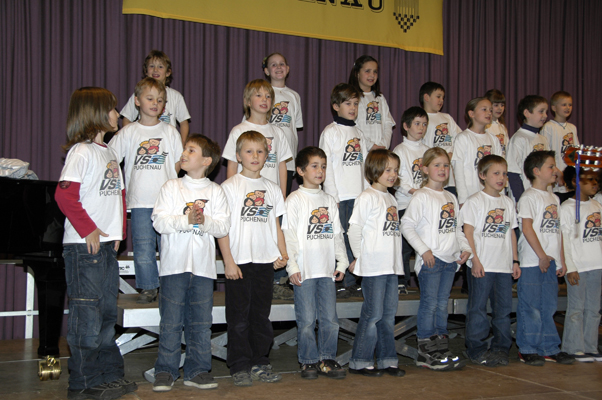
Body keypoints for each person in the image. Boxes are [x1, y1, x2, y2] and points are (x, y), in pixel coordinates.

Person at [55, 87, 137, 399]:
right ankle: (83, 384)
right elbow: (65, 195)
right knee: (87, 317)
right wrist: (89, 229)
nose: (118, 114)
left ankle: (108, 375)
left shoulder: (110, 152)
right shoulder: (81, 152)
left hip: (105, 249)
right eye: (113, 109)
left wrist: (118, 234)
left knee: (105, 314)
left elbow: (118, 196)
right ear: (96, 114)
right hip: (84, 249)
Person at [151, 135, 230, 392]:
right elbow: (159, 222)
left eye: (191, 150)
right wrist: (186, 219)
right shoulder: (171, 187)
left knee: (201, 323)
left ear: (206, 161)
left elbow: (223, 227)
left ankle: (197, 370)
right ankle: (166, 370)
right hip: (173, 267)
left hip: (204, 270)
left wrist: (203, 221)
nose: (184, 153)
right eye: (184, 149)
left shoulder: (216, 191)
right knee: (171, 322)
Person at [217, 131, 288, 386]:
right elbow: (222, 228)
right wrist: (228, 261)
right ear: (238, 156)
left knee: (260, 316)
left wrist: (282, 253)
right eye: (249, 151)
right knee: (238, 318)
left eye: (260, 151)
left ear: (267, 155)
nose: (255, 156)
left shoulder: (272, 189)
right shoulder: (229, 187)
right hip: (239, 262)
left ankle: (260, 361)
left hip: (264, 262)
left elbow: (276, 225)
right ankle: (239, 365)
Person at [109, 77, 183, 303]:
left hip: (167, 202)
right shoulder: (128, 132)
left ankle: (171, 285)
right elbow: (110, 159)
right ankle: (148, 286)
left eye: (160, 100)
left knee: (169, 246)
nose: (155, 103)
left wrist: (170, 186)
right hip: (140, 201)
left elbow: (178, 163)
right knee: (143, 246)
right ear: (137, 101)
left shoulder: (170, 131)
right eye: (150, 98)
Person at [400, 147, 471, 371]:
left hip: (450, 261)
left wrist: (465, 247)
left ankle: (441, 345)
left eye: (446, 165)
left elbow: (457, 228)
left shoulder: (451, 197)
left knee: (442, 305)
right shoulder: (422, 196)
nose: (442, 169)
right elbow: (406, 225)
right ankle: (426, 350)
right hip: (432, 261)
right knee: (430, 304)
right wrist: (424, 250)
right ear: (425, 169)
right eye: (437, 165)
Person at [283, 146, 349, 380]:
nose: (320, 171)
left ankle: (327, 358)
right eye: (314, 166)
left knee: (330, 319)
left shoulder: (329, 200)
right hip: (305, 271)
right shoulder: (294, 199)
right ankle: (308, 360)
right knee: (307, 320)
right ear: (300, 171)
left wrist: (342, 262)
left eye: (323, 166)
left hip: (326, 271)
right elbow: (289, 236)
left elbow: (337, 234)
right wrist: (292, 266)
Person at [347, 149, 405, 377]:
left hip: (391, 265)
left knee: (388, 315)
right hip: (373, 266)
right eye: (387, 169)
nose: (392, 174)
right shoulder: (367, 197)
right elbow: (354, 230)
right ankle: (360, 361)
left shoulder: (391, 198)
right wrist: (359, 257)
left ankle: (387, 359)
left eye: (395, 170)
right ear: (374, 170)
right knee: (373, 314)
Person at [459, 155, 520, 367]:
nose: (501, 177)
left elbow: (511, 233)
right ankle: (476, 349)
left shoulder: (508, 202)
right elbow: (468, 232)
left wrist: (515, 261)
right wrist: (475, 260)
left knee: (502, 311)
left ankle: (501, 349)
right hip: (482, 265)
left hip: (503, 266)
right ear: (482, 175)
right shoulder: (475, 201)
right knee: (477, 309)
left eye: (504, 174)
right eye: (496, 173)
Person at [515, 150, 574, 366]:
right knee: (531, 306)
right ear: (536, 171)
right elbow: (527, 228)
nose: (555, 170)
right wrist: (541, 256)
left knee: (548, 306)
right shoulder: (528, 197)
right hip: (533, 261)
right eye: (551, 166)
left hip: (550, 262)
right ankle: (528, 348)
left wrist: (561, 260)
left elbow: (557, 232)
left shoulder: (554, 198)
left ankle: (550, 347)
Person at [319, 83, 368, 298]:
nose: (353, 108)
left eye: (355, 104)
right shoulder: (331, 132)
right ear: (336, 106)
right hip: (341, 197)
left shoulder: (359, 133)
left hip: (359, 196)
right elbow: (326, 166)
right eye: (348, 103)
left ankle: (354, 280)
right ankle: (341, 280)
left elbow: (365, 166)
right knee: (341, 239)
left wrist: (368, 193)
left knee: (357, 239)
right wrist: (333, 197)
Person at [223, 79, 293, 199]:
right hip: (243, 193)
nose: (264, 99)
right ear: (248, 102)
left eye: (268, 96)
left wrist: (283, 194)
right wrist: (231, 193)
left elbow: (282, 165)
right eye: (259, 95)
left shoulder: (278, 133)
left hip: (271, 195)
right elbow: (232, 165)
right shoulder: (238, 131)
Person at [559, 168, 602, 362]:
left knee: (593, 308)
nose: (594, 184)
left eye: (596, 180)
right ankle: (573, 347)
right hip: (579, 266)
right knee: (576, 308)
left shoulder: (597, 205)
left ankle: (590, 346)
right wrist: (570, 267)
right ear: (576, 182)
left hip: (596, 264)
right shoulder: (567, 207)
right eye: (589, 180)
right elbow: (565, 240)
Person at [392, 106, 430, 294]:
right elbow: (396, 179)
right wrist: (414, 191)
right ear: (406, 126)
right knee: (405, 247)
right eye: (417, 123)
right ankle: (402, 281)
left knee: (425, 244)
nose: (421, 127)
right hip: (405, 204)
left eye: (424, 124)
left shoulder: (428, 150)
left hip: (425, 206)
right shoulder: (400, 150)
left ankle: (427, 280)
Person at [120, 50, 191, 144]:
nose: (155, 70)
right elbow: (127, 118)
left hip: (168, 143)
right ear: (146, 71)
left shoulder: (176, 96)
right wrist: (129, 138)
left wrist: (182, 142)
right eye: (151, 66)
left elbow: (184, 122)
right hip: (144, 142)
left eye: (160, 67)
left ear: (168, 72)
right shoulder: (139, 94)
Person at [262, 52, 304, 195]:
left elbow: (295, 127)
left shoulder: (294, 96)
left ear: (288, 68)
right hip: (267, 157)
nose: (278, 67)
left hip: (287, 159)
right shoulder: (262, 94)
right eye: (273, 65)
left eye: (282, 64)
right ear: (267, 71)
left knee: (282, 197)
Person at [452, 97, 503, 206]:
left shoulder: (493, 139)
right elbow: (458, 170)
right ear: (471, 114)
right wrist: (463, 199)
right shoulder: (463, 138)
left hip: (491, 196)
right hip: (471, 195)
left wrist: (500, 195)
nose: (489, 113)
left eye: (490, 110)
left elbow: (500, 168)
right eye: (484, 109)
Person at [419, 81, 462, 196]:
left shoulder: (447, 117)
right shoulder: (421, 119)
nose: (441, 100)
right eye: (438, 96)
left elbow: (460, 139)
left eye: (443, 97)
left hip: (450, 177)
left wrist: (452, 154)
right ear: (426, 97)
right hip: (434, 173)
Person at [506, 95, 551, 201]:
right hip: (527, 197)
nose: (545, 115)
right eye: (541, 111)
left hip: (544, 197)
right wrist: (522, 200)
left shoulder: (543, 139)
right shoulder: (519, 139)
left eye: (546, 112)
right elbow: (513, 172)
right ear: (527, 113)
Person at [348, 55, 395, 150]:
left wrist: (383, 146)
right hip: (362, 150)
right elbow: (353, 126)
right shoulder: (351, 98)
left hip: (380, 151)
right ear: (357, 73)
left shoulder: (380, 98)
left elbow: (388, 123)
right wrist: (371, 146)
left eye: (375, 71)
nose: (372, 75)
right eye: (367, 71)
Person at [541, 91, 579, 192]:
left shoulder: (572, 128)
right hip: (556, 178)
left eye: (570, 105)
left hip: (570, 178)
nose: (567, 108)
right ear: (554, 108)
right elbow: (546, 153)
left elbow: (576, 152)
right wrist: (556, 171)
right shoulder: (548, 127)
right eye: (564, 105)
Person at [484, 89, 509, 158]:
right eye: (496, 105)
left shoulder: (502, 127)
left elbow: (507, 149)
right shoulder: (485, 127)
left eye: (502, 105)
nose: (500, 108)